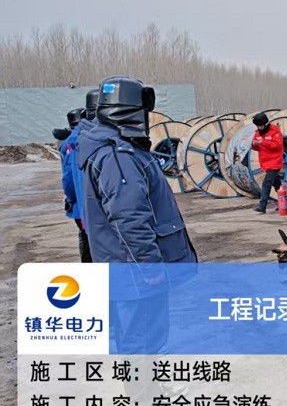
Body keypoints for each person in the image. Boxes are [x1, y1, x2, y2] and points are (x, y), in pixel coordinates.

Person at [76, 76, 197, 266]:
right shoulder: (118, 156)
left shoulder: (119, 148)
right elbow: (130, 219)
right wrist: (151, 270)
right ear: (134, 111)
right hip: (137, 275)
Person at [59, 106, 91, 262]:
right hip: (87, 205)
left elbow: (68, 179)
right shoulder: (80, 142)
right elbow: (70, 178)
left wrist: (70, 198)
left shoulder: (69, 143)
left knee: (87, 241)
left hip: (80, 205)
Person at [250, 112, 284, 213]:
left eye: (261, 126)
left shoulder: (275, 131)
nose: (259, 128)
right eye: (258, 126)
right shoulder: (257, 133)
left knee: (266, 183)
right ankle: (285, 203)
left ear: (266, 124)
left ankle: (262, 206)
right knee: (276, 183)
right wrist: (254, 144)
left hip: (275, 162)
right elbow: (255, 147)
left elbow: (277, 145)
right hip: (265, 163)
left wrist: (263, 142)